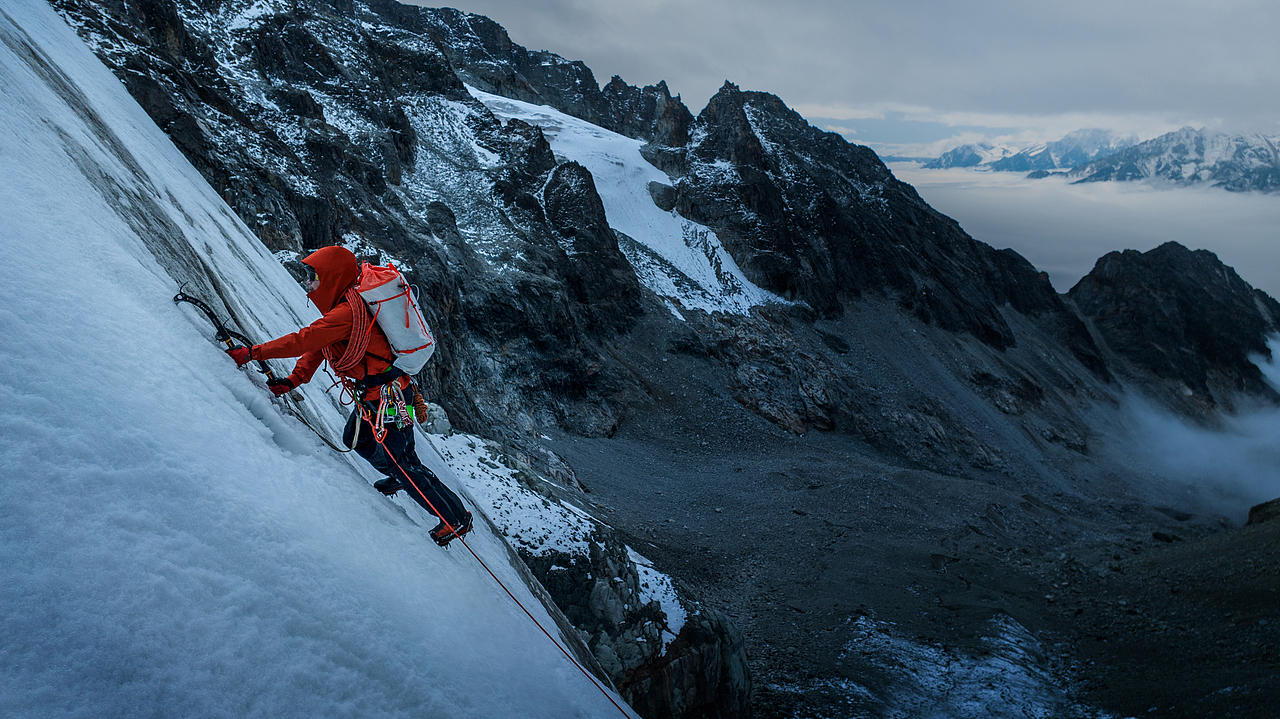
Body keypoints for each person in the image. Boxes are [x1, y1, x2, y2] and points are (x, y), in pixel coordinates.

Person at [227, 246, 472, 546]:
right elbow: (320, 346)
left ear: (331, 277)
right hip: (377, 396)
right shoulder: (346, 305)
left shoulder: (345, 313)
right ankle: (400, 476)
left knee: (405, 461)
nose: (308, 284)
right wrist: (295, 379)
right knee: (357, 440)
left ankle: (454, 518)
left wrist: (253, 353)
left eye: (313, 277)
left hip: (387, 398)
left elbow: (304, 340)